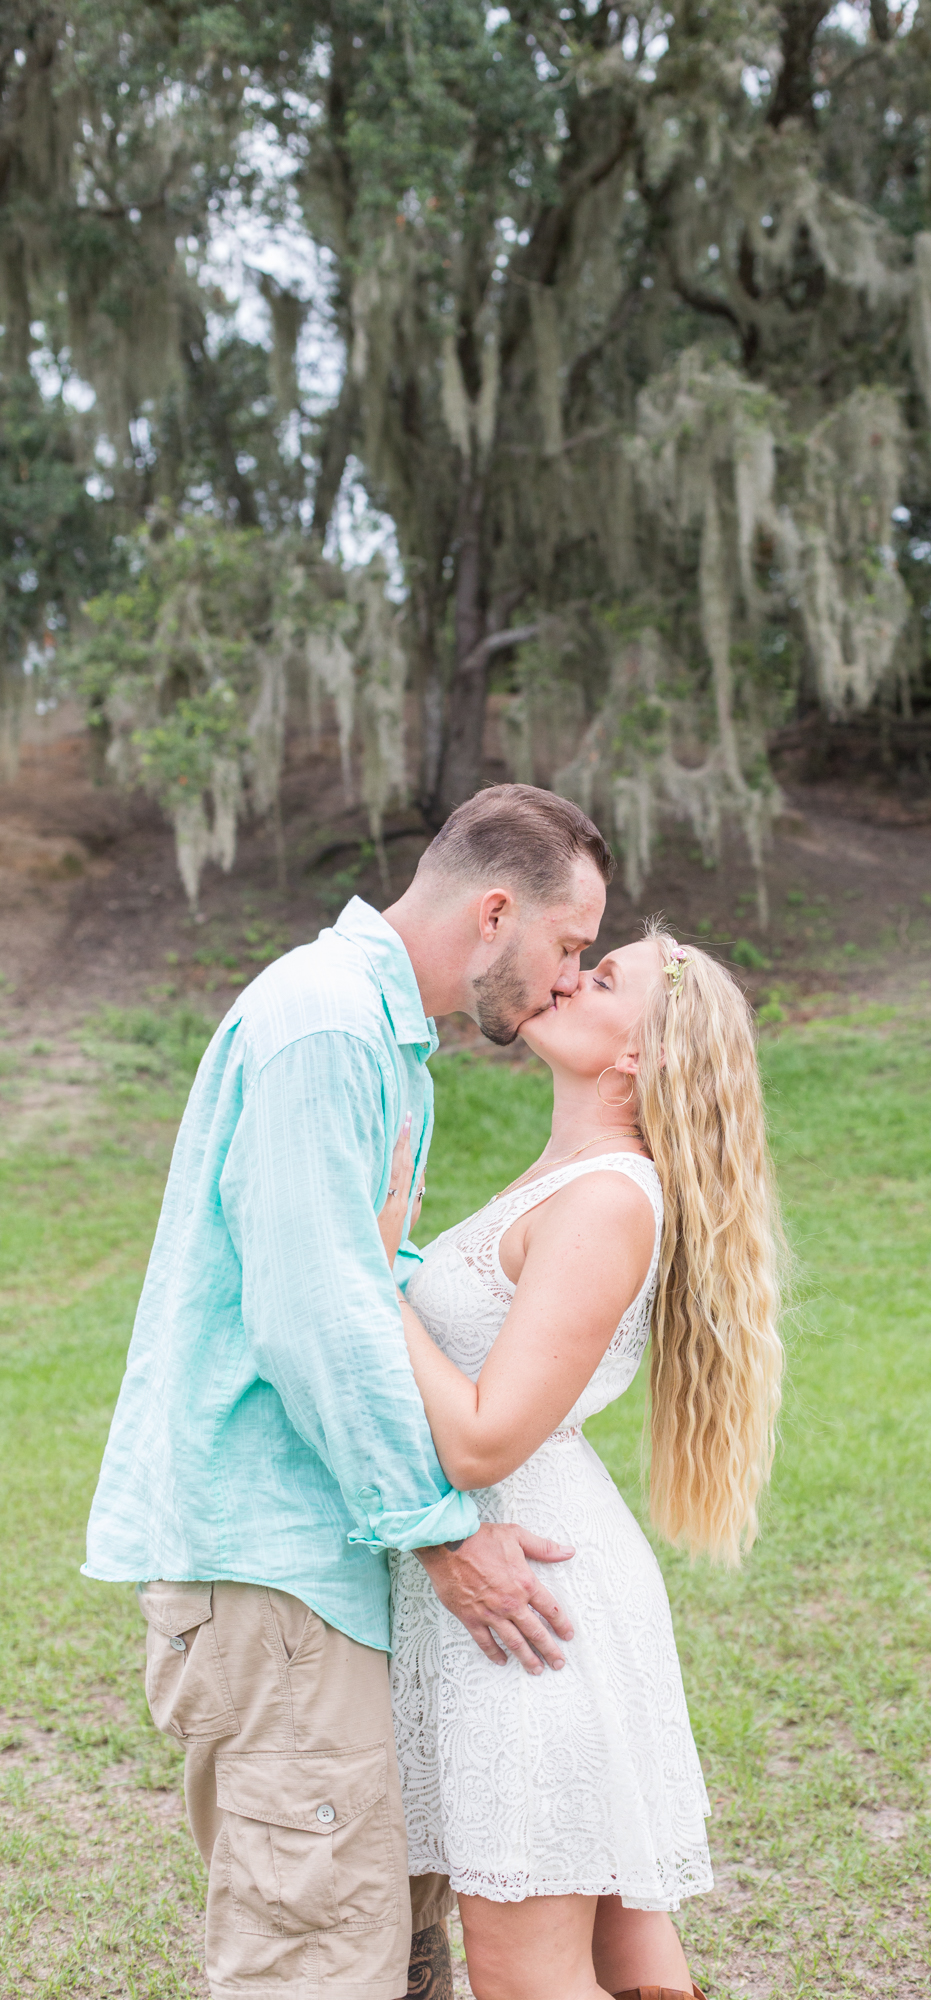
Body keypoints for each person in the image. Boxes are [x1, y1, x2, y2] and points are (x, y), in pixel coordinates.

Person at [84, 785, 614, 2000]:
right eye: (568, 946)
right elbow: (316, 1310)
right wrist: (442, 1535)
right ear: (495, 911)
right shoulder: (323, 1025)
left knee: (395, 1950)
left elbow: (358, 1272)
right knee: (317, 1965)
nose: (565, 980)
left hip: (319, 1571)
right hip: (273, 1576)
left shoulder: (370, 1035)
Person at [375, 923, 785, 2000]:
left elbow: (479, 1438)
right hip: (530, 1589)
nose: (565, 975)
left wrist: (373, 1279)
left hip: (528, 1600)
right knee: (630, 1961)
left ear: (640, 1058)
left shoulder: (606, 1198)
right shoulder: (571, 1177)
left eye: (601, 978)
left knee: (523, 1979)